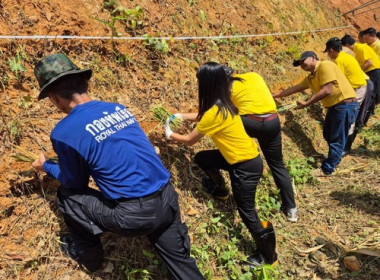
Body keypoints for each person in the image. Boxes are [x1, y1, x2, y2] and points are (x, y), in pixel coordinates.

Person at [31, 53, 204, 279]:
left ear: (53, 97)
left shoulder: (64, 132)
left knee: (68, 195)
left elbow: (75, 182)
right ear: (86, 83)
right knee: (183, 267)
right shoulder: (117, 108)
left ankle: (89, 258)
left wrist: (47, 166)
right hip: (169, 199)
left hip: (134, 217)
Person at [164, 62, 278, 267]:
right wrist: (180, 116)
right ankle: (220, 190)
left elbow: (190, 139)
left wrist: (170, 134)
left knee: (247, 212)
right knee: (203, 159)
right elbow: (203, 117)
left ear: (206, 84)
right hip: (238, 158)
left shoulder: (215, 111)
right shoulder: (223, 104)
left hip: (245, 166)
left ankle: (269, 257)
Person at [222, 66, 297, 222]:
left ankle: (243, 197)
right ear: (234, 72)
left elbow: (227, 111)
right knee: (277, 164)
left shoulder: (226, 88)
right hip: (272, 121)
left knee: (240, 154)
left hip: (249, 122)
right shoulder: (254, 75)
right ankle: (291, 209)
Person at [273, 51, 358, 176]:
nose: (302, 64)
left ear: (313, 58)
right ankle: (335, 159)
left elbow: (327, 90)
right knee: (328, 134)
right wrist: (274, 96)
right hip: (335, 107)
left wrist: (307, 103)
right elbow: (294, 89)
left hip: (345, 105)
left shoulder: (325, 65)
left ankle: (327, 169)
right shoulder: (311, 77)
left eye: (303, 61)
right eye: (299, 63)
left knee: (336, 138)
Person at [323, 37, 373, 156]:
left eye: (328, 52)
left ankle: (344, 147)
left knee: (348, 118)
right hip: (357, 86)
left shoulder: (339, 61)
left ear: (331, 50)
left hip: (357, 89)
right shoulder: (346, 56)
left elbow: (336, 81)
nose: (329, 55)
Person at [341, 34, 380, 105]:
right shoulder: (355, 50)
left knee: (373, 94)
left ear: (347, 45)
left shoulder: (360, 47)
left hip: (374, 71)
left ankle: (370, 111)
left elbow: (369, 62)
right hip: (369, 72)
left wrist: (358, 71)